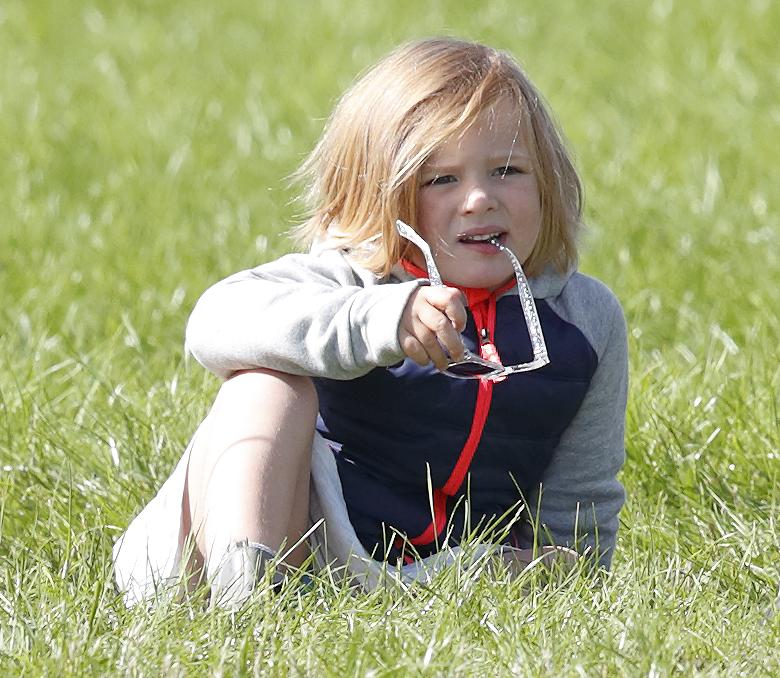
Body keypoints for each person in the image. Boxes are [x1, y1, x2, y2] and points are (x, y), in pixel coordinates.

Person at [113, 37, 628, 608]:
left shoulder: (582, 318)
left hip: (410, 578)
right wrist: (379, 322)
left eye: (507, 170)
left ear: (549, 183)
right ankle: (243, 609)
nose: (480, 198)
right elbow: (213, 321)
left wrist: (573, 577)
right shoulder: (356, 280)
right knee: (265, 386)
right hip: (249, 550)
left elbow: (581, 493)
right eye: (441, 179)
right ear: (380, 194)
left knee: (535, 570)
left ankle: (300, 608)